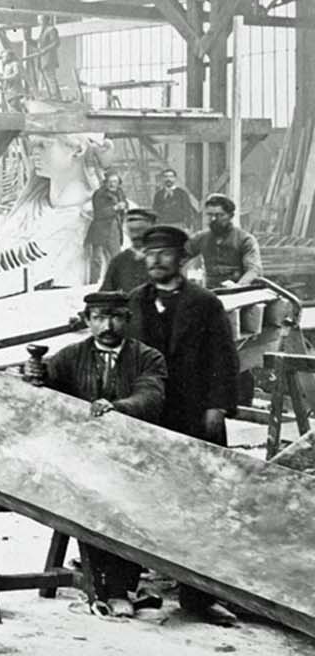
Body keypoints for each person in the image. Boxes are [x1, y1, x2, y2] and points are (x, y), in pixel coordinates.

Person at [26, 290, 168, 617]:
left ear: (127, 320)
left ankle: (119, 587)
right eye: (100, 317)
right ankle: (105, 586)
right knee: (88, 497)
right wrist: (36, 378)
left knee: (128, 504)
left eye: (116, 316)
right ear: (88, 320)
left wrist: (117, 407)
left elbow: (151, 396)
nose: (108, 325)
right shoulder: (68, 356)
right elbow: (46, 396)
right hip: (80, 456)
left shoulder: (148, 357)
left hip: (131, 455)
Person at [127, 224, 241, 625]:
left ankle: (199, 598)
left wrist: (218, 406)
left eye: (165, 253)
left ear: (182, 258)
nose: (155, 259)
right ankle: (127, 587)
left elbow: (224, 358)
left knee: (200, 503)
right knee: (135, 494)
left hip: (195, 415)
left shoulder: (205, 303)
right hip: (148, 416)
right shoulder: (132, 303)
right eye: (149, 252)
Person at [0, 127, 108, 287]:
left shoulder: (102, 216)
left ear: (78, 149)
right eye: (31, 145)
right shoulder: (21, 215)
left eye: (43, 145)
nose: (33, 152)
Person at [187, 194, 261, 289]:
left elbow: (254, 270)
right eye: (210, 215)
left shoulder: (245, 239)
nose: (213, 219)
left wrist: (238, 286)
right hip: (211, 292)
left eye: (219, 215)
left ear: (231, 216)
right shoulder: (201, 238)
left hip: (239, 291)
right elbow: (180, 256)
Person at [100, 206, 155, 294]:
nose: (136, 235)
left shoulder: (163, 258)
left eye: (140, 230)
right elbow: (103, 296)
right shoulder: (119, 261)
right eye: (132, 230)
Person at [86, 171, 128, 278]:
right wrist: (115, 208)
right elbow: (99, 213)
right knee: (97, 259)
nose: (112, 184)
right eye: (110, 181)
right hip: (100, 230)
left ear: (118, 183)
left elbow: (125, 204)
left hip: (115, 229)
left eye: (115, 181)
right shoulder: (99, 194)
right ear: (105, 182)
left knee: (117, 259)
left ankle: (117, 283)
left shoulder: (120, 193)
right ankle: (92, 285)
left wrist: (124, 207)